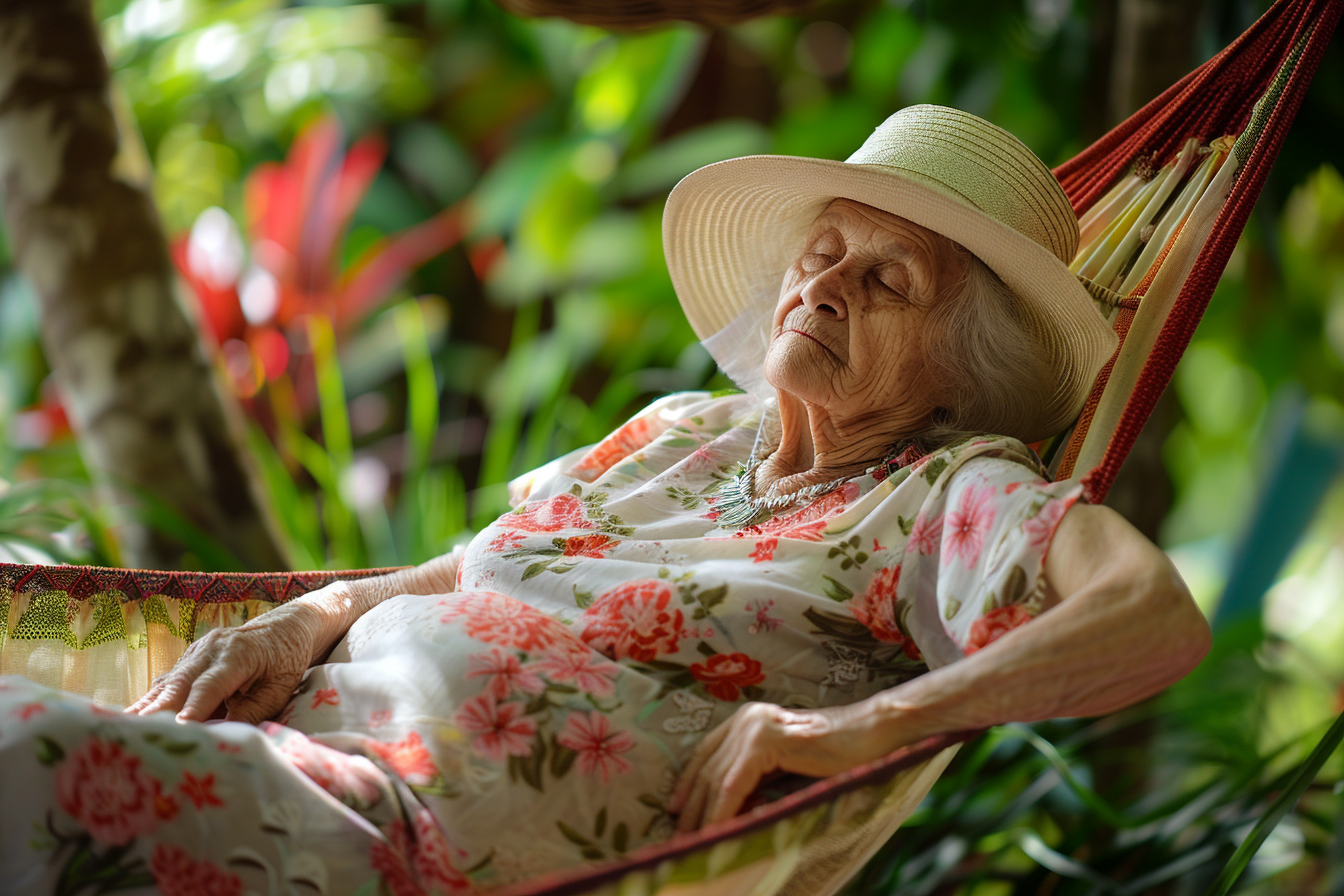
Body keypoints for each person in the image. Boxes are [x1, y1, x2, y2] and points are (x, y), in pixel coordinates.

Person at [0, 105, 1210, 894]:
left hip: (401, 837)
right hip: (289, 745)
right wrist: (308, 614)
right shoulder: (683, 434)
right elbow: (458, 567)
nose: (826, 282)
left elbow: (1154, 615)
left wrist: (864, 729)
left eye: (887, 277)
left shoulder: (945, 491)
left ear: (968, 360)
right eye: (821, 248)